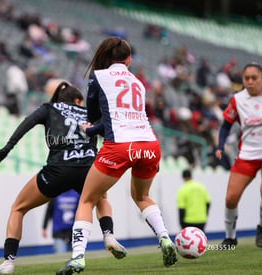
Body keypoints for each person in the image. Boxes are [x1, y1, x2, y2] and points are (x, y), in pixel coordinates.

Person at [57, 37, 178, 275]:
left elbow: (97, 118)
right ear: (129, 59)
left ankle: (78, 258)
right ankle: (165, 238)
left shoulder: (98, 77)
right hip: (150, 145)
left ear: (105, 56)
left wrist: (89, 128)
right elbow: (123, 117)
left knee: (87, 200)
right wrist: (95, 127)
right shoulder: (138, 82)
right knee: (142, 195)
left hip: (120, 145)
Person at [0, 82, 127, 274]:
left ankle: (8, 262)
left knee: (18, 208)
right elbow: (114, 133)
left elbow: (26, 124)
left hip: (58, 170)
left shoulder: (49, 108)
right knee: (101, 198)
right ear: (78, 100)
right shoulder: (89, 112)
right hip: (88, 168)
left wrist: (7, 148)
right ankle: (109, 235)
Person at [215, 62, 262, 248]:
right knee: (230, 198)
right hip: (247, 154)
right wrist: (220, 145)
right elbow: (226, 125)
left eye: (254, 78)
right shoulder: (238, 99)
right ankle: (230, 238)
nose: (250, 82)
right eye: (247, 78)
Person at [42, 190, 79, 254]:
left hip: (73, 232)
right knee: (61, 255)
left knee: (75, 257)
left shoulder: (76, 194)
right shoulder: (56, 193)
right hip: (59, 231)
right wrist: (44, 227)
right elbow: (49, 211)